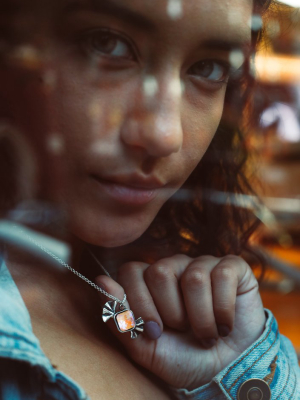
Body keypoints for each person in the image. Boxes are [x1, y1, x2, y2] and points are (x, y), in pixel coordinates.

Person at [0, 0, 299, 399]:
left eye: (209, 68)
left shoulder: (139, 284)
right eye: (107, 44)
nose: (165, 134)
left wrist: (232, 372)